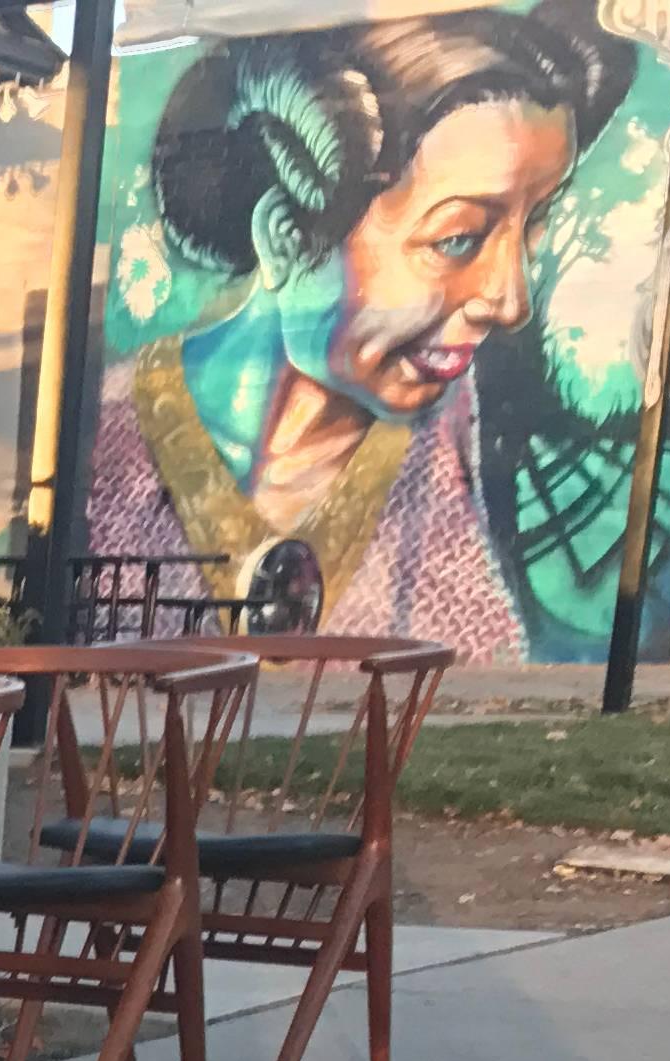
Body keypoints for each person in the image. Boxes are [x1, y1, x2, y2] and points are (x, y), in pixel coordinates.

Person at [86, 0, 636, 650]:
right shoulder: (108, 455)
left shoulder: (454, 446)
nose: (511, 300)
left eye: (534, 224)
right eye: (460, 238)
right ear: (287, 238)